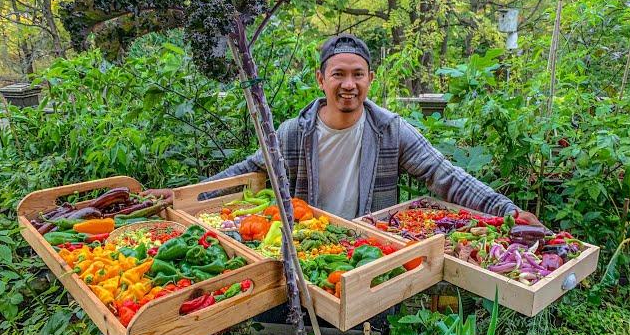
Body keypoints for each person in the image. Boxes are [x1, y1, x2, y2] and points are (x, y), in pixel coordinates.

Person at [145, 33, 541, 226]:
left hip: (370, 246)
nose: (348, 84)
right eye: (338, 74)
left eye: (357, 75)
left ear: (370, 79)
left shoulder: (390, 131)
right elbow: (243, 175)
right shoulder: (292, 134)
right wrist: (181, 197)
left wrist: (506, 211)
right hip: (309, 247)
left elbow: (446, 176)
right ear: (321, 79)